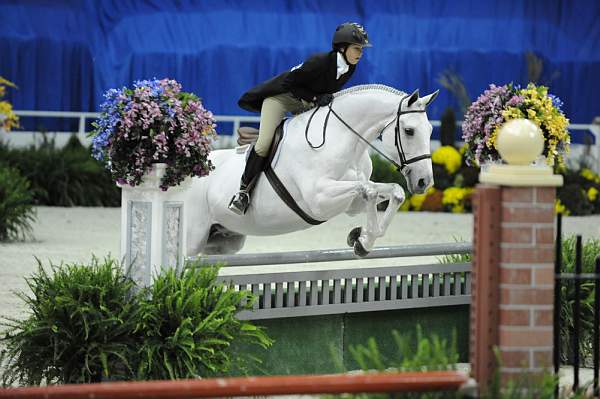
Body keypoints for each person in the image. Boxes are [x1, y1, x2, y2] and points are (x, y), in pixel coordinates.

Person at [228, 22, 372, 215]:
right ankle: (243, 192)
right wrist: (314, 98)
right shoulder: (320, 61)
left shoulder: (349, 68)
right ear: (342, 47)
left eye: (361, 49)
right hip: (283, 99)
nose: (360, 53)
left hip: (305, 104)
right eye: (357, 48)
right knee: (263, 144)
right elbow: (289, 82)